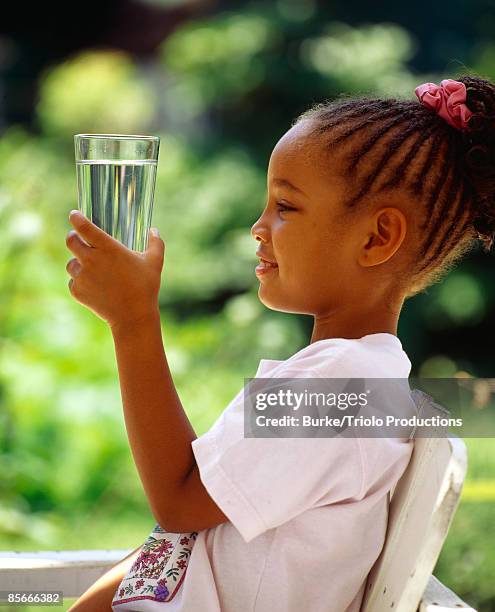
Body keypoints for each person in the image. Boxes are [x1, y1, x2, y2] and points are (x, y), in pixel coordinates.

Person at [66, 74, 495, 611]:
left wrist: (133, 320)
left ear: (377, 237)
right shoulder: (356, 381)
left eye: (286, 207)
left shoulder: (340, 388)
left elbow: (179, 502)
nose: (258, 226)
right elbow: (188, 538)